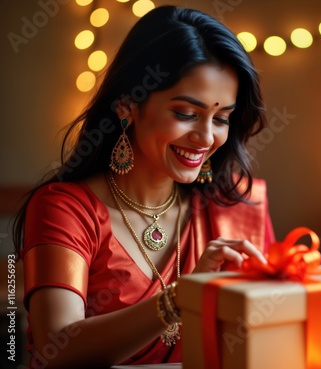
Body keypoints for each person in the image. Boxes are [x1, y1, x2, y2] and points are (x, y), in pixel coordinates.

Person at [12, 5, 275, 368]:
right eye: (186, 114)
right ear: (127, 106)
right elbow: (57, 347)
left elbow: (270, 337)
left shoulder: (235, 208)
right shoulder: (65, 208)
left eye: (222, 118)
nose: (206, 137)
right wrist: (180, 299)